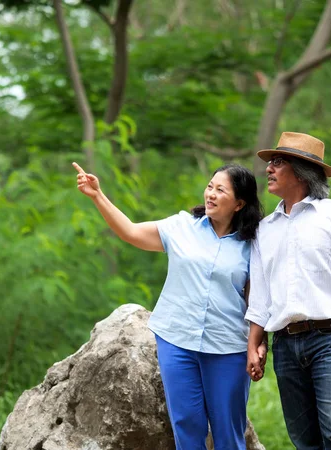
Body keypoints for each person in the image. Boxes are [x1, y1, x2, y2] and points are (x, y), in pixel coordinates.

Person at [73, 161, 265, 450]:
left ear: (239, 203)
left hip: (228, 347)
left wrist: (258, 344)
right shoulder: (181, 227)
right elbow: (131, 232)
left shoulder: (253, 244)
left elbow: (256, 302)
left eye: (220, 190)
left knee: (228, 431)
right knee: (187, 425)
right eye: (210, 187)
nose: (210, 194)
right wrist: (98, 195)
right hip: (177, 341)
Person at [245, 132, 331, 450]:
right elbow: (260, 294)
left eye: (277, 162)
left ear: (301, 171)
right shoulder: (265, 229)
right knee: (304, 440)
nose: (268, 169)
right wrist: (254, 344)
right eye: (270, 163)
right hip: (285, 345)